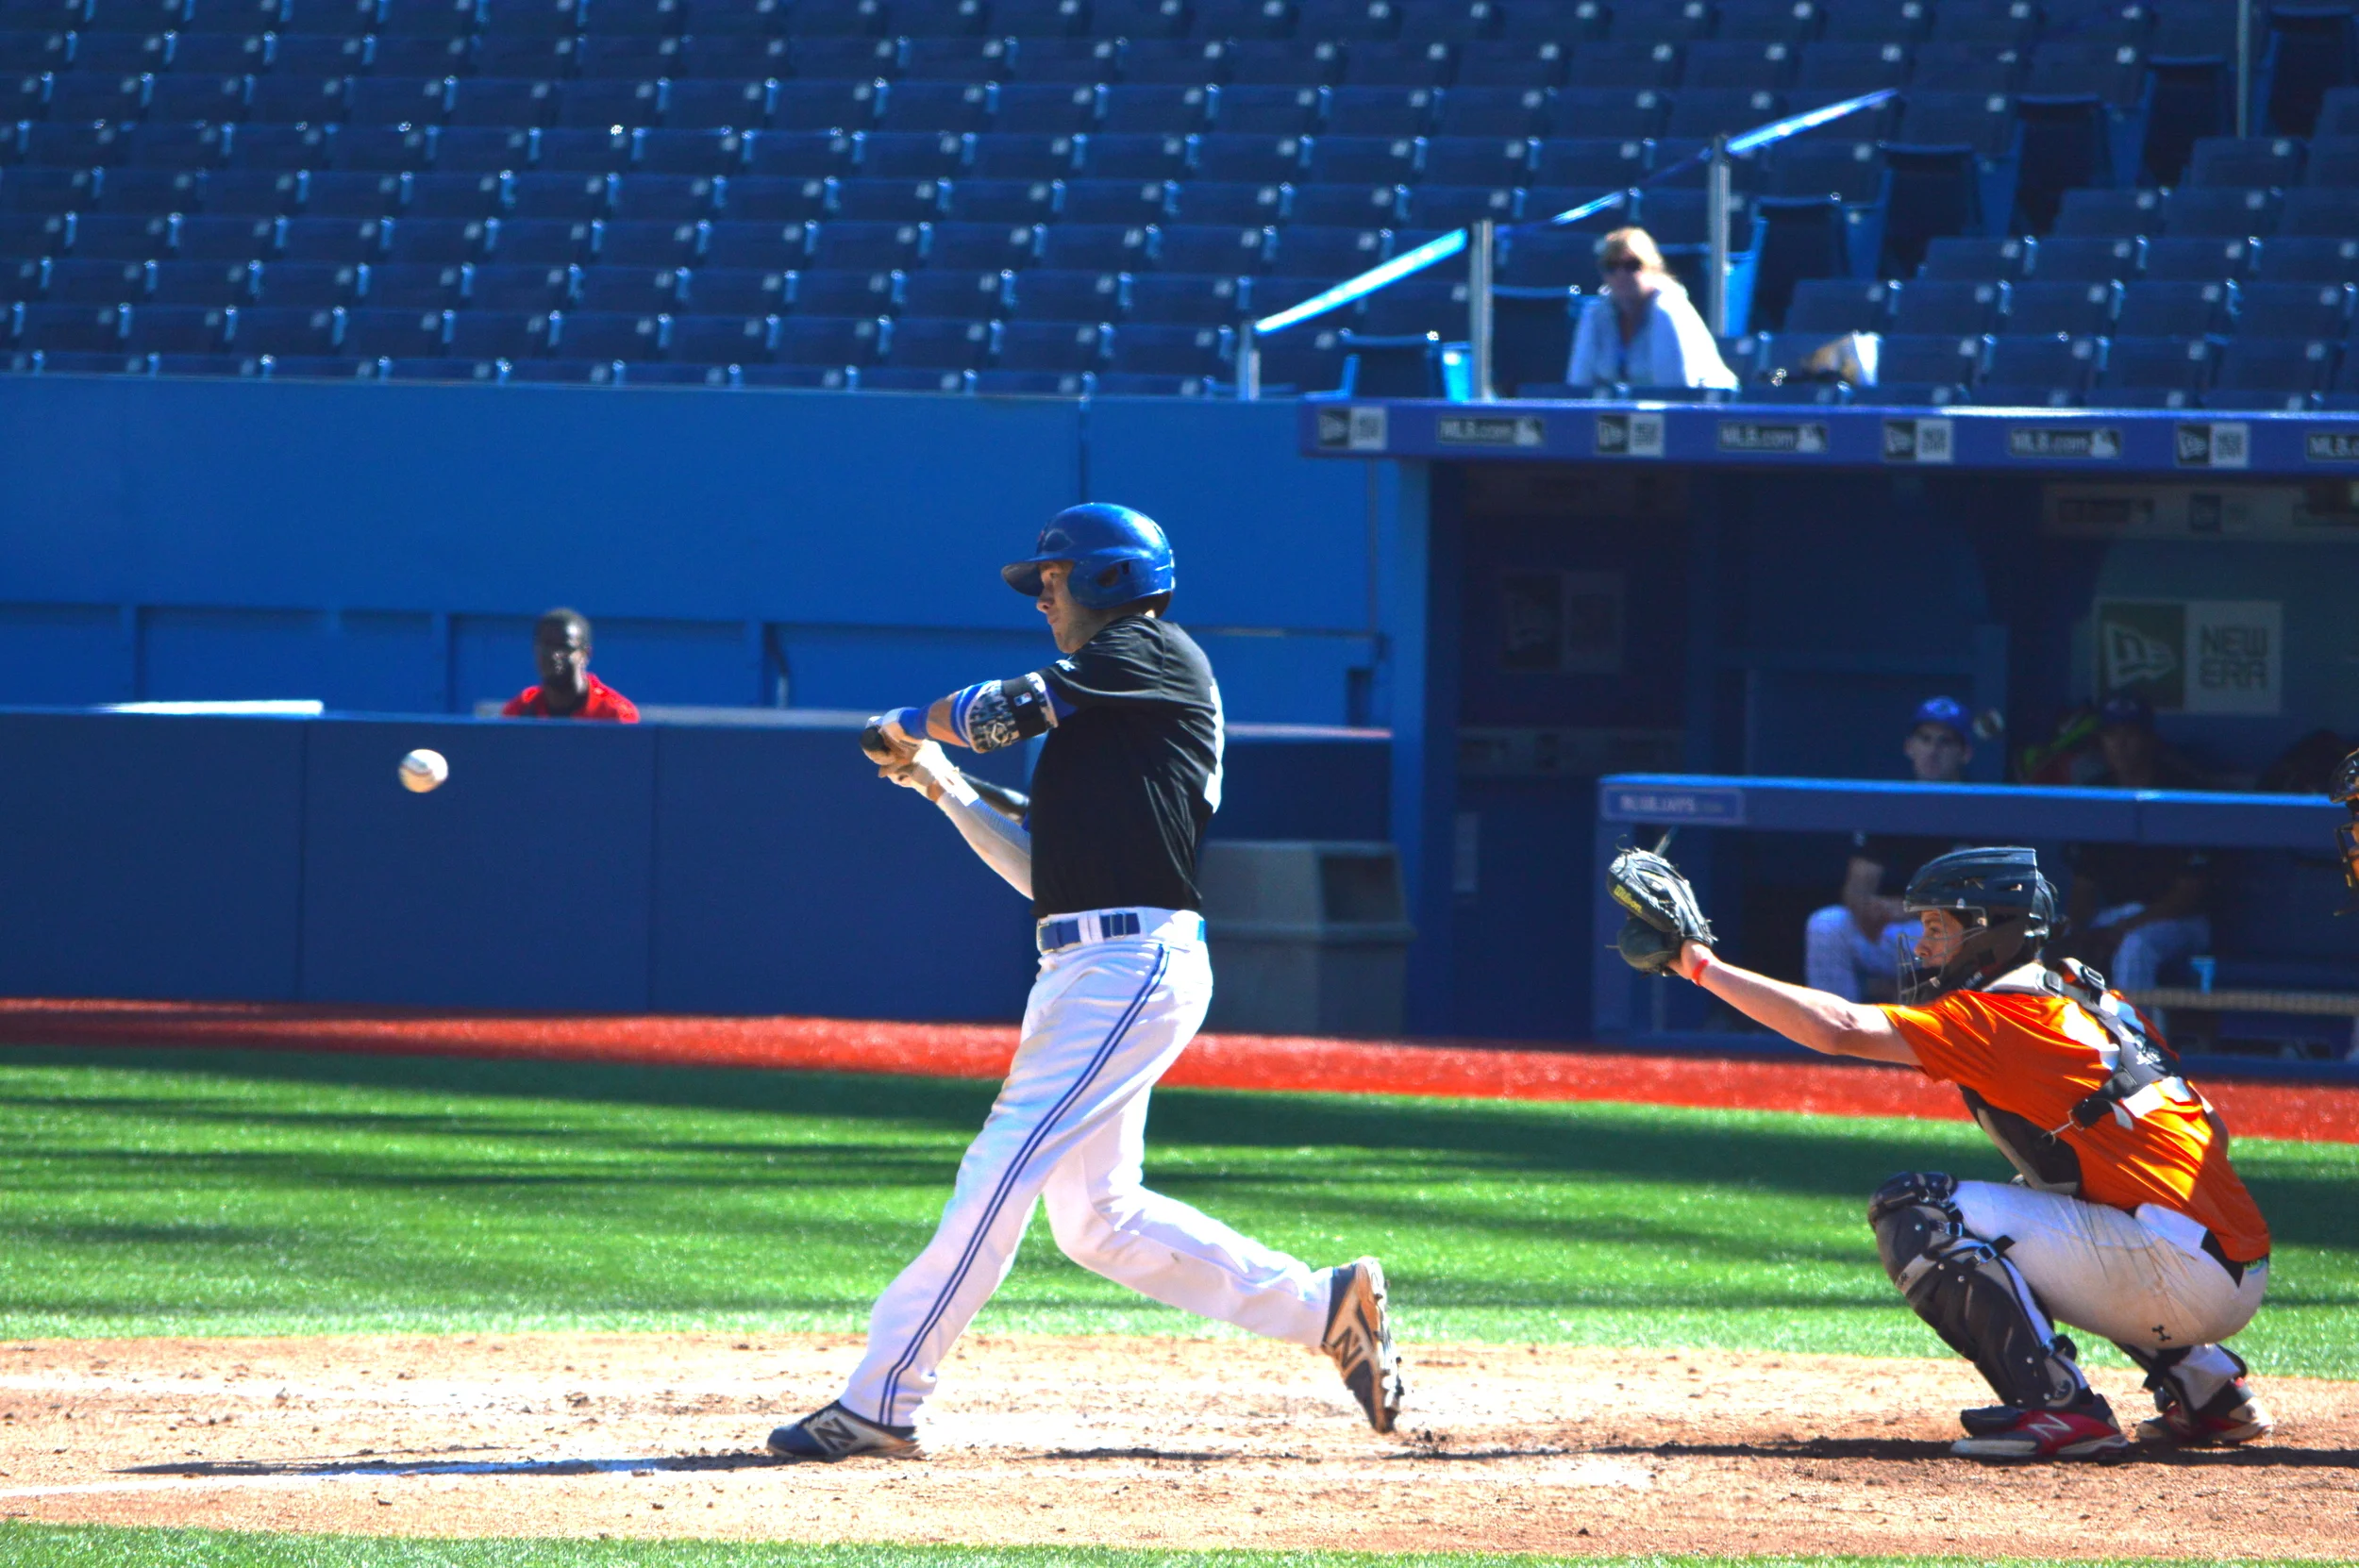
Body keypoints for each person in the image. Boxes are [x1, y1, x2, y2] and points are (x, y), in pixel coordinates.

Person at [763, 503, 1405, 1461]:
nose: (1043, 598)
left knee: (998, 1170)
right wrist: (936, 784)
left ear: (1109, 579)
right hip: (1091, 961)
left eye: (1053, 580)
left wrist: (905, 722)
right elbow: (1043, 875)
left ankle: (882, 1400)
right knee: (1100, 1223)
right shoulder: (1107, 711)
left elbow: (991, 714)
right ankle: (1325, 1308)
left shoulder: (1148, 653)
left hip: (1127, 966)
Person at [1610, 843, 2273, 1460]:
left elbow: (1837, 1027)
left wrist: (1699, 964)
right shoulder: (2084, 994)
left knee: (1917, 1209)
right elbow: (2212, 1129)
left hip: (2178, 1272)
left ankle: (2061, 1408)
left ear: (1992, 929)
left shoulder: (2003, 1014)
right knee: (2051, 1193)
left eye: (1938, 928)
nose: (1923, 945)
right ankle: (2209, 1391)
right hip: (2228, 1257)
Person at [1804, 696, 1976, 1000]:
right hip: (1901, 931)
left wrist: (1908, 907)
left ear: (1965, 753)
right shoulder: (1889, 804)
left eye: (1945, 742)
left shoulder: (1985, 807)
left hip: (1955, 937)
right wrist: (1868, 910)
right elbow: (1857, 886)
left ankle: (1951, 1037)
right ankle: (1838, 1039)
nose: (1933, 751)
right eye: (1925, 740)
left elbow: (1980, 902)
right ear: (1909, 747)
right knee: (1827, 925)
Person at [2066, 694, 2209, 992]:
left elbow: (2187, 895)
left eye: (2130, 735)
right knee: (2054, 944)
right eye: (2111, 735)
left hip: (2180, 921)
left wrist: (2121, 930)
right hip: (2119, 916)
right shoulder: (2096, 794)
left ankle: (2133, 1038)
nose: (2120, 744)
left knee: (2135, 947)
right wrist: (2077, 933)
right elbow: (2083, 886)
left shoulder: (2182, 793)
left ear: (2149, 739)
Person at [1565, 226, 1739, 392]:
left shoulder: (1668, 309)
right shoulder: (1595, 313)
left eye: (1632, 266)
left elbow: (1675, 391)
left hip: (1708, 409)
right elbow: (1579, 386)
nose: (1621, 275)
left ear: (1652, 268)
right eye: (1611, 266)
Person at [500, 608, 639, 722]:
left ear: (586, 654)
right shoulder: (520, 710)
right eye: (546, 646)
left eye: (564, 647)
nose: (554, 655)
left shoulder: (614, 714)